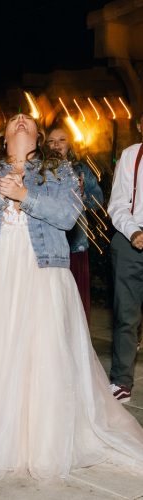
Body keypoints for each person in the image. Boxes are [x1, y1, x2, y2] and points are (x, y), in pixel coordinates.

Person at [0, 113, 143, 479]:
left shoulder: (58, 172)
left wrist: (25, 195)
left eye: (27, 121)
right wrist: (1, 197)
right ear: (3, 136)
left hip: (42, 271)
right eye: (13, 120)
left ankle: (39, 439)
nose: (20, 121)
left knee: (42, 353)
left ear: (38, 137)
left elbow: (67, 215)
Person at [46, 125, 103, 321]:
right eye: (51, 140)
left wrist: (82, 195)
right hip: (46, 246)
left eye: (61, 140)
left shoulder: (80, 169)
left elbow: (98, 200)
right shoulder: (39, 169)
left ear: (69, 144)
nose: (56, 144)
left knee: (74, 305)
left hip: (74, 244)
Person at [108, 111, 143, 403]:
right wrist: (133, 232)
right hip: (130, 239)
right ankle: (121, 382)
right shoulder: (131, 155)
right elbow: (117, 202)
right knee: (126, 315)